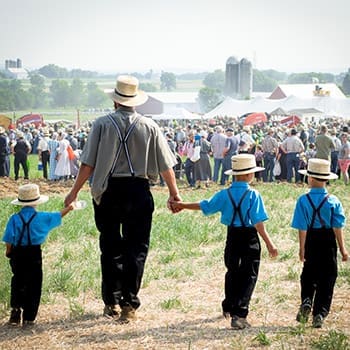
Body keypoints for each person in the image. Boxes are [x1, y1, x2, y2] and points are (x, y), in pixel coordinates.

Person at [64, 75, 181, 324]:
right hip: (139, 190)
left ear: (116, 101)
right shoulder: (150, 126)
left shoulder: (102, 124)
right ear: (135, 102)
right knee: (136, 248)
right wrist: (174, 192)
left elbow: (88, 164)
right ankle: (129, 303)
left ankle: (112, 302)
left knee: (110, 247)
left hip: (108, 190)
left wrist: (73, 192)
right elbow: (165, 165)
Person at [171, 154, 278, 329]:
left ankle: (228, 305)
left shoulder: (224, 194)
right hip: (250, 236)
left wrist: (182, 205)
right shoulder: (253, 195)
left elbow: (205, 205)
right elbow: (259, 223)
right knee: (249, 274)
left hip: (232, 236)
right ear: (248, 175)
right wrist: (269, 243)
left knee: (232, 270)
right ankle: (240, 313)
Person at [2, 184, 73, 326]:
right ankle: (29, 317)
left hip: (18, 253)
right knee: (34, 283)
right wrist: (70, 208)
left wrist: (8, 251)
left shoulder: (14, 219)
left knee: (18, 281)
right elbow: (58, 215)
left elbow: (8, 239)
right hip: (34, 253)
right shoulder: (42, 217)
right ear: (36, 202)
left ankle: (15, 311)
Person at [291, 158, 348, 328]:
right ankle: (320, 312)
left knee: (309, 273)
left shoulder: (303, 200)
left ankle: (307, 299)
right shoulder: (333, 200)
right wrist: (343, 250)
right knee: (328, 276)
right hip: (328, 240)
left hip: (311, 240)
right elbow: (338, 227)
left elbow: (301, 227)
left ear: (310, 178)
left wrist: (302, 249)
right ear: (326, 179)